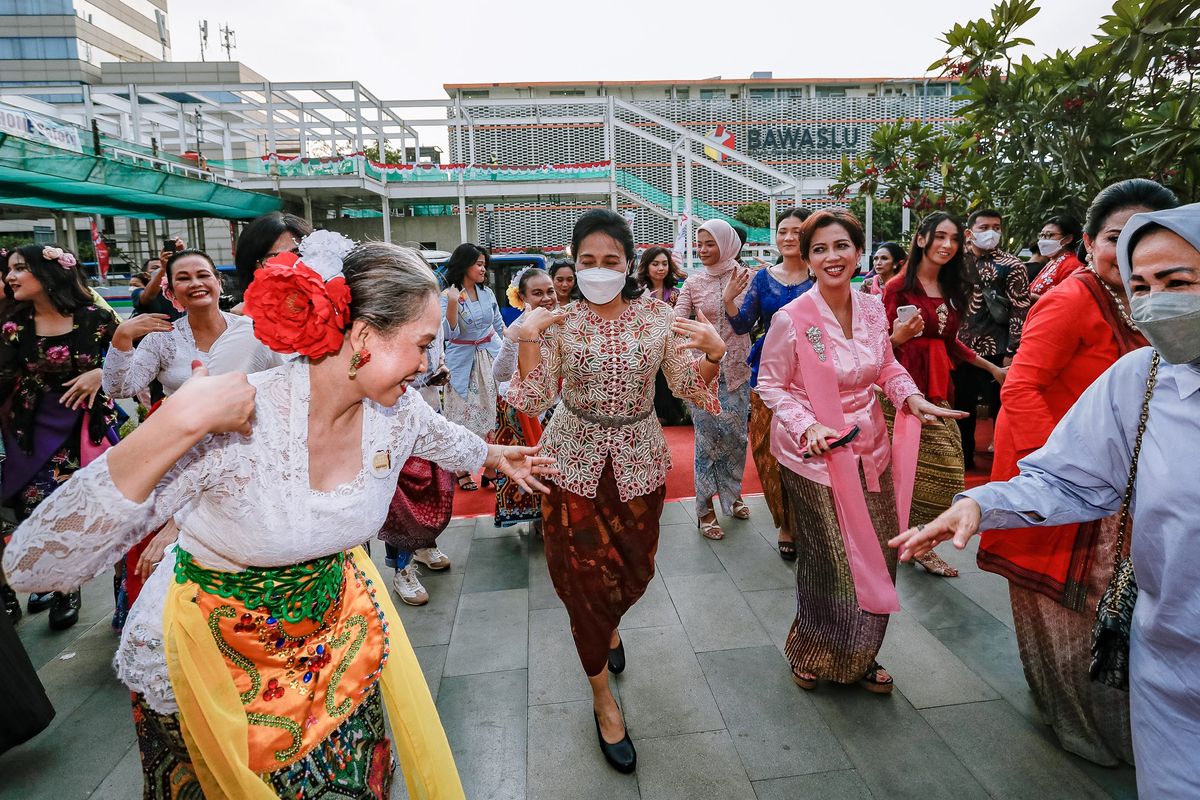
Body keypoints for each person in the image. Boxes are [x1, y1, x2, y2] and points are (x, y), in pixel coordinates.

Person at [3, 239, 554, 799]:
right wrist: (176, 425)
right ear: (362, 337)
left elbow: (445, 438)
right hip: (217, 668)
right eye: (421, 345)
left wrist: (491, 455)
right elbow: (33, 567)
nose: (426, 364)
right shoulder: (240, 421)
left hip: (337, 653)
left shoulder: (397, 409)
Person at [891, 201, 1200, 799]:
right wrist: (983, 504)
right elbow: (1069, 471)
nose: (1155, 299)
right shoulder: (1143, 377)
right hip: (1168, 659)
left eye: (1177, 282)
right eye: (1143, 284)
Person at [507, 209, 726, 773]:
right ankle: (602, 696)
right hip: (570, 457)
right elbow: (531, 398)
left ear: (629, 265)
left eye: (610, 261)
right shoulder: (558, 321)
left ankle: (608, 625)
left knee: (633, 571)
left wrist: (714, 352)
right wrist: (528, 340)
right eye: (587, 261)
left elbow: (684, 387)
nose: (598, 270)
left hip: (639, 459)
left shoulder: (658, 317)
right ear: (572, 265)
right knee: (580, 579)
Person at [976, 179, 1176, 766]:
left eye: (1143, 236)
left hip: (1120, 497)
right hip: (1070, 495)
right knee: (1072, 617)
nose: (1128, 249)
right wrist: (1076, 473)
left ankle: (1120, 728)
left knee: (1108, 613)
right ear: (1089, 241)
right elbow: (1022, 387)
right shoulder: (1069, 299)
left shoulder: (1144, 301)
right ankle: (1083, 728)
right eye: (1116, 237)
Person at [756, 209, 963, 694]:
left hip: (870, 445)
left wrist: (912, 398)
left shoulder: (873, 308)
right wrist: (808, 426)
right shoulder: (793, 318)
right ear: (807, 260)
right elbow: (771, 385)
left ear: (858, 252)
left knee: (879, 554)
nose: (833, 257)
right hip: (813, 455)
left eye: (841, 246)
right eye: (820, 249)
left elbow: (887, 367)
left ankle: (862, 653)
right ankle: (815, 648)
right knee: (830, 559)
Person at [103, 248, 252, 617]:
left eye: (203, 275)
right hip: (183, 453)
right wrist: (121, 339)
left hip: (245, 449)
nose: (195, 283)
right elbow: (121, 387)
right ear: (171, 293)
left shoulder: (251, 332)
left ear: (219, 282)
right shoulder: (162, 340)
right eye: (183, 278)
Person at [0, 244, 120, 631]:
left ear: (47, 274)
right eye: (10, 269)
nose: (11, 276)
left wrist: (101, 374)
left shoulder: (96, 318)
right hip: (33, 433)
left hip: (87, 428)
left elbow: (131, 360)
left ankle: (115, 591)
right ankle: (65, 585)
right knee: (41, 512)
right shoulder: (13, 325)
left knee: (103, 513)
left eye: (20, 268)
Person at [883, 213, 1008, 577]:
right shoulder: (896, 288)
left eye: (954, 238)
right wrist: (897, 339)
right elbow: (878, 348)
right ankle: (915, 540)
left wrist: (993, 369)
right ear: (921, 239)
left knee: (941, 469)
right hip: (903, 390)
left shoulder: (952, 289)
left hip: (939, 390)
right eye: (939, 236)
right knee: (933, 468)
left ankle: (915, 539)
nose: (947, 245)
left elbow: (950, 343)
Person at [723, 207, 815, 558]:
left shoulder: (820, 275)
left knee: (810, 449)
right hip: (769, 373)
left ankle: (811, 519)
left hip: (813, 375)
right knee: (768, 449)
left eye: (797, 231)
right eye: (783, 231)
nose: (789, 237)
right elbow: (743, 325)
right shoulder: (762, 278)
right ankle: (785, 524)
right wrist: (730, 298)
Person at [676, 218, 753, 539]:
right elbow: (677, 320)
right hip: (704, 374)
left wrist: (728, 301)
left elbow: (746, 324)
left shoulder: (748, 278)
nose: (703, 250)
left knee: (736, 440)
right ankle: (705, 508)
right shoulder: (693, 283)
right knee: (707, 442)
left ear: (727, 244)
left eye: (710, 243)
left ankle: (732, 495)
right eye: (700, 243)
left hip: (737, 373)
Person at [955, 208, 1030, 469]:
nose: (991, 233)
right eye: (985, 227)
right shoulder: (955, 263)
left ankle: (1003, 463)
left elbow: (1020, 309)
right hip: (959, 349)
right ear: (969, 232)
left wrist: (1013, 348)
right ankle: (963, 460)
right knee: (962, 407)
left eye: (996, 228)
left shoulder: (1012, 266)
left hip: (997, 348)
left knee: (1001, 407)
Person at [489, 266, 556, 533]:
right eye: (537, 293)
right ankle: (539, 521)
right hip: (520, 408)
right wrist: (513, 341)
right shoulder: (518, 328)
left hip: (556, 406)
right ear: (524, 298)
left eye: (549, 291)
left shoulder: (562, 320)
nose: (547, 298)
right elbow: (500, 373)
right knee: (530, 467)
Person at [206, 211, 313, 374]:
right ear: (252, 268)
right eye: (275, 258)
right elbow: (213, 396)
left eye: (299, 254)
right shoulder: (251, 334)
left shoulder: (321, 321)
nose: (291, 265)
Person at [440, 243, 505, 490]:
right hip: (463, 360)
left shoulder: (487, 293)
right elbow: (448, 334)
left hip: (491, 354)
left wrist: (511, 349)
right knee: (464, 415)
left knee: (496, 411)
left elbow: (498, 323)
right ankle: (461, 468)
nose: (483, 269)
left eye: (484, 264)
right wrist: (454, 304)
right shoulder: (447, 296)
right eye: (478, 264)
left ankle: (490, 467)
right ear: (465, 265)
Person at [637, 247, 687, 425]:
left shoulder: (676, 294)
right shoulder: (637, 293)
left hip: (670, 343)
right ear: (646, 266)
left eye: (664, 264)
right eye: (655, 264)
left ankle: (672, 413)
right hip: (643, 344)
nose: (661, 268)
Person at [1029, 214, 1085, 299]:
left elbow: (1068, 300)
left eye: (1050, 235)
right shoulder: (1053, 261)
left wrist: (1035, 298)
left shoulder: (1072, 264)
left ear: (1068, 239)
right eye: (1042, 235)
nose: (1043, 240)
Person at [132, 247, 185, 322]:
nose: (160, 270)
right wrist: (163, 269)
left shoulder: (177, 290)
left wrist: (182, 254)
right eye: (155, 268)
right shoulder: (137, 292)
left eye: (164, 266)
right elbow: (148, 297)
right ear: (146, 275)